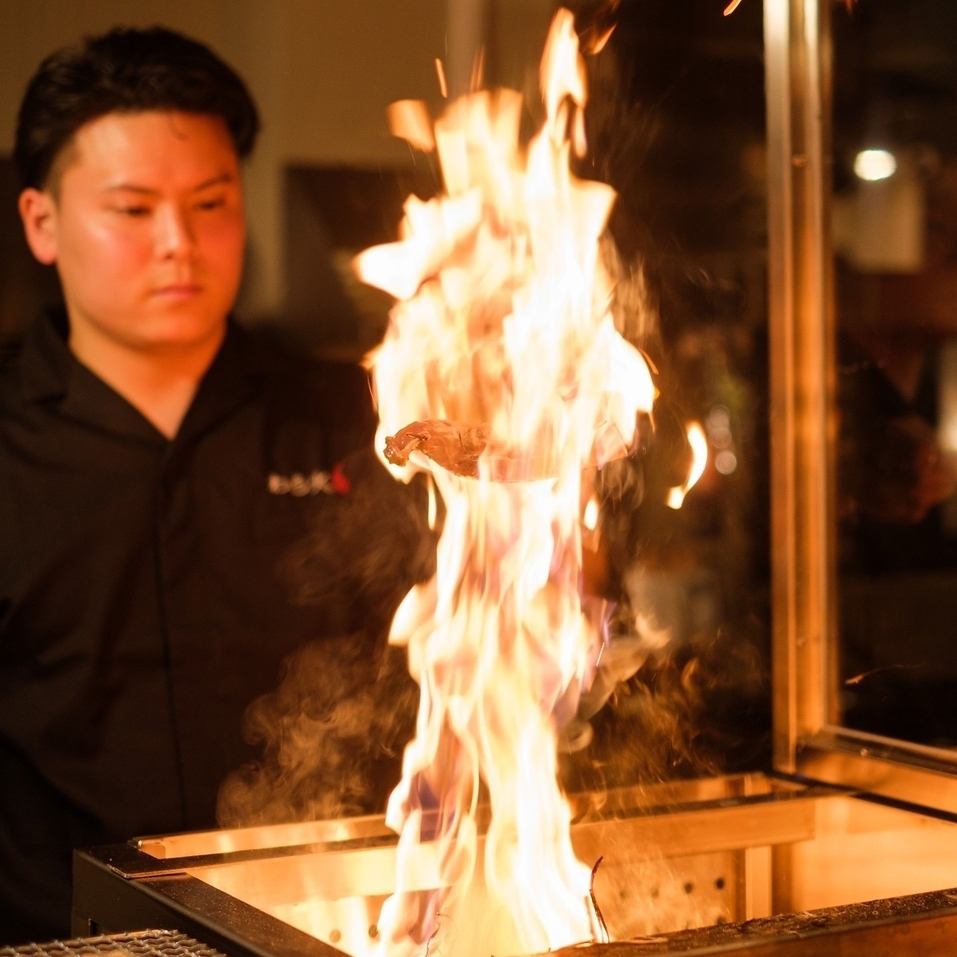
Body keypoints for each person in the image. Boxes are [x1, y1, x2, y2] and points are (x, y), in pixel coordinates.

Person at [1, 26, 427, 943]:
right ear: (41, 222)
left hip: (321, 926)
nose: (179, 245)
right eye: (131, 209)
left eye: (209, 202)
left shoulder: (350, 417)